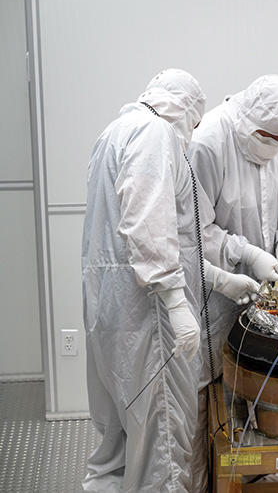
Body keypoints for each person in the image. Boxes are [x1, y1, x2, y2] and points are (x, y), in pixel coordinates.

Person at [81, 69, 260, 492]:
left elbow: (153, 238)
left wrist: (216, 279)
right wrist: (178, 307)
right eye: (194, 125)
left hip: (113, 313)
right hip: (150, 322)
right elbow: (149, 227)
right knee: (162, 450)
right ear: (185, 112)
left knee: (118, 449)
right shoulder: (154, 135)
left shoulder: (114, 132)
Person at [187, 74, 278, 489]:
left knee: (259, 379)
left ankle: (255, 474)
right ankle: (210, 481)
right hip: (215, 290)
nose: (274, 145)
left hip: (267, 292)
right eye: (268, 136)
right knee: (213, 388)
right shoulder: (209, 143)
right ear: (248, 118)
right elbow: (196, 230)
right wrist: (248, 255)